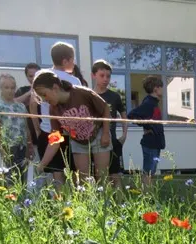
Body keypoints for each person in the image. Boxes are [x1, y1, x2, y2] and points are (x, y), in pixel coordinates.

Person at [33, 70, 111, 183]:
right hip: (78, 141)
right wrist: (42, 164)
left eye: (44, 94)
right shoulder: (53, 109)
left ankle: (105, 199)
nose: (44, 99)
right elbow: (55, 139)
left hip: (98, 134)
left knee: (102, 177)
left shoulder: (82, 93)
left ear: (55, 88)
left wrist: (105, 133)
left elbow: (105, 108)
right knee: (83, 180)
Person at [29, 42, 82, 184]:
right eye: (73, 59)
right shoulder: (75, 80)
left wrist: (38, 130)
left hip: (48, 131)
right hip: (69, 134)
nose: (74, 62)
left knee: (56, 174)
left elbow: (33, 104)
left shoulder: (41, 74)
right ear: (65, 61)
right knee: (73, 174)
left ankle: (60, 202)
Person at [92, 59, 128, 188]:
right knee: (98, 176)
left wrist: (124, 135)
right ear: (94, 75)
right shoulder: (89, 96)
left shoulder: (114, 96)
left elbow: (124, 116)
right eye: (102, 75)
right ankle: (101, 204)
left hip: (112, 141)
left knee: (115, 176)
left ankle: (118, 205)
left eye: (108, 76)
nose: (105, 79)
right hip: (93, 142)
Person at [0, 74, 32, 183]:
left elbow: (26, 128)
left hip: (22, 146)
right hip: (9, 147)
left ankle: (23, 198)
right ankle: (13, 199)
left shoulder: (21, 106)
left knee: (23, 176)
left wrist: (29, 146)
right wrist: (2, 150)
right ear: (1, 88)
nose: (10, 91)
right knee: (12, 177)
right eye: (6, 87)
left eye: (12, 87)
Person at [128, 75, 165, 188]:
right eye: (161, 87)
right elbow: (131, 115)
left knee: (151, 172)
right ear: (155, 88)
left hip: (155, 142)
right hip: (150, 143)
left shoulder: (154, 103)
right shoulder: (149, 103)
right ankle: (147, 198)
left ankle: (150, 196)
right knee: (148, 172)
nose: (163, 90)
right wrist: (147, 126)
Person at [14, 63, 40, 155]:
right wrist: (30, 92)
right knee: (31, 167)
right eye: (30, 76)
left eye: (36, 75)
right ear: (26, 76)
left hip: (44, 135)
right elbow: (13, 103)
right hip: (27, 138)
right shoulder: (22, 90)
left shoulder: (47, 91)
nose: (33, 78)